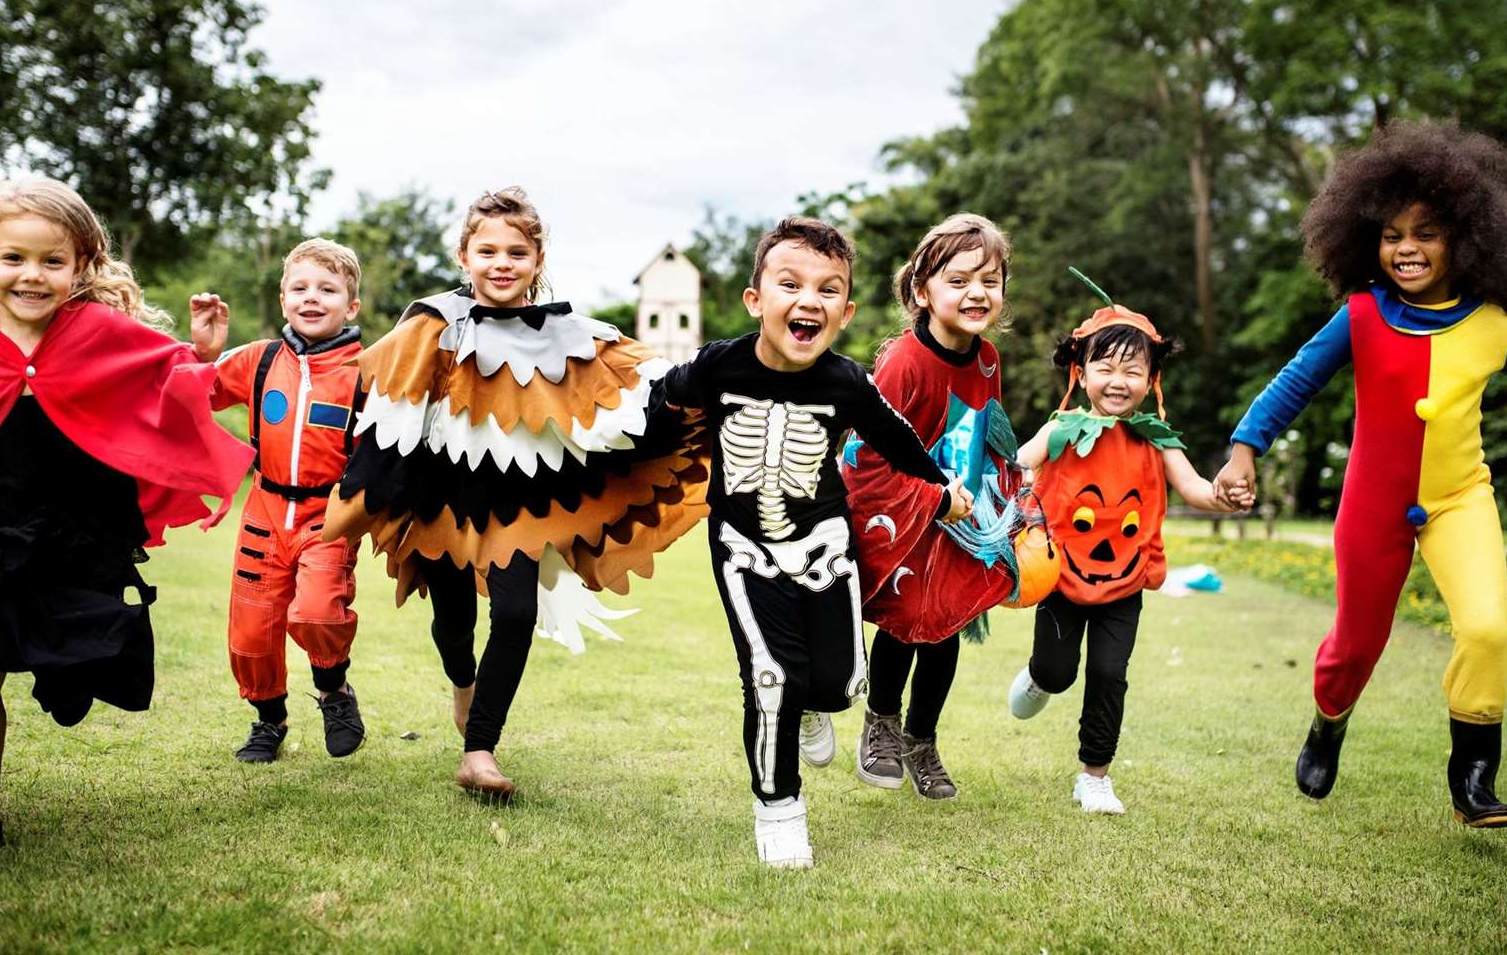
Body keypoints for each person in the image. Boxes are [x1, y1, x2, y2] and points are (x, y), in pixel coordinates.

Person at [1212, 121, 1507, 827]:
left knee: (1488, 628)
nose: (1405, 248)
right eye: (1392, 234)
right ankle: (1326, 724)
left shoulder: (1494, 324)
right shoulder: (1359, 315)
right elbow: (1293, 382)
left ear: (1467, 236)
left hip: (1460, 499)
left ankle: (1473, 776)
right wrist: (1244, 450)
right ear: (1369, 240)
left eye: (1425, 233)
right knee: (1355, 646)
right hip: (1372, 504)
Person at [322, 187, 707, 801]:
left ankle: (480, 750)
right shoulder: (431, 325)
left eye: (517, 252)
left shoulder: (574, 335)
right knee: (454, 622)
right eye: (488, 250)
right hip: (440, 498)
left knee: (518, 614)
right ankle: (461, 684)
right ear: (465, 256)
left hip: (521, 504)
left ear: (537, 259)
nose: (502, 263)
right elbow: (360, 381)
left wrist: (724, 375)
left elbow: (648, 381)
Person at [0, 177, 251, 858]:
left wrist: (202, 355)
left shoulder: (101, 332)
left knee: (75, 669)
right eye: (14, 258)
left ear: (81, 265)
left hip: (75, 531)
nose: (32, 276)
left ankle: (67, 674)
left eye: (52, 261)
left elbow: (170, 389)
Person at [659, 216, 973, 868]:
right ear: (756, 300)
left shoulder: (845, 381)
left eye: (828, 289)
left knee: (832, 684)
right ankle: (778, 810)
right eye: (789, 283)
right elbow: (655, 407)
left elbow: (897, 441)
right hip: (742, 547)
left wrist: (941, 487)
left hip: (825, 545)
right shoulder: (719, 364)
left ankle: (812, 703)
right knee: (769, 674)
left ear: (846, 311)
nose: (808, 299)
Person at [1008, 273, 1249, 815]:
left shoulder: (1156, 441)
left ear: (1151, 379)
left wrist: (1225, 495)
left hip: (1124, 581)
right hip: (1060, 578)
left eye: (1133, 370)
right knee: (1058, 672)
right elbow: (1015, 465)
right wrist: (1011, 491)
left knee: (1109, 675)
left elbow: (1195, 489)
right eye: (1106, 367)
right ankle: (1040, 677)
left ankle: (1094, 775)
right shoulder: (1061, 429)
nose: (1119, 380)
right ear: (1082, 372)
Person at [841, 213, 1022, 801]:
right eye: (960, 280)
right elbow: (868, 454)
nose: (977, 293)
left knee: (945, 629)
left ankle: (922, 740)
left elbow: (986, 432)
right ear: (922, 290)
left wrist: (1006, 499)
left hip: (960, 521)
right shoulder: (903, 363)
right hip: (905, 517)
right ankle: (882, 723)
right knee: (905, 622)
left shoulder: (988, 359)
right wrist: (931, 498)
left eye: (990, 281)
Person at [194, 238, 368, 763]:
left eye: (328, 289)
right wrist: (202, 354)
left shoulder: (367, 371)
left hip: (329, 515)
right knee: (252, 631)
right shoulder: (259, 359)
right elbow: (192, 391)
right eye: (300, 288)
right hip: (265, 510)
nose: (312, 299)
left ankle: (334, 689)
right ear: (283, 298)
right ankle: (269, 722)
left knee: (317, 612)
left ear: (351, 305)